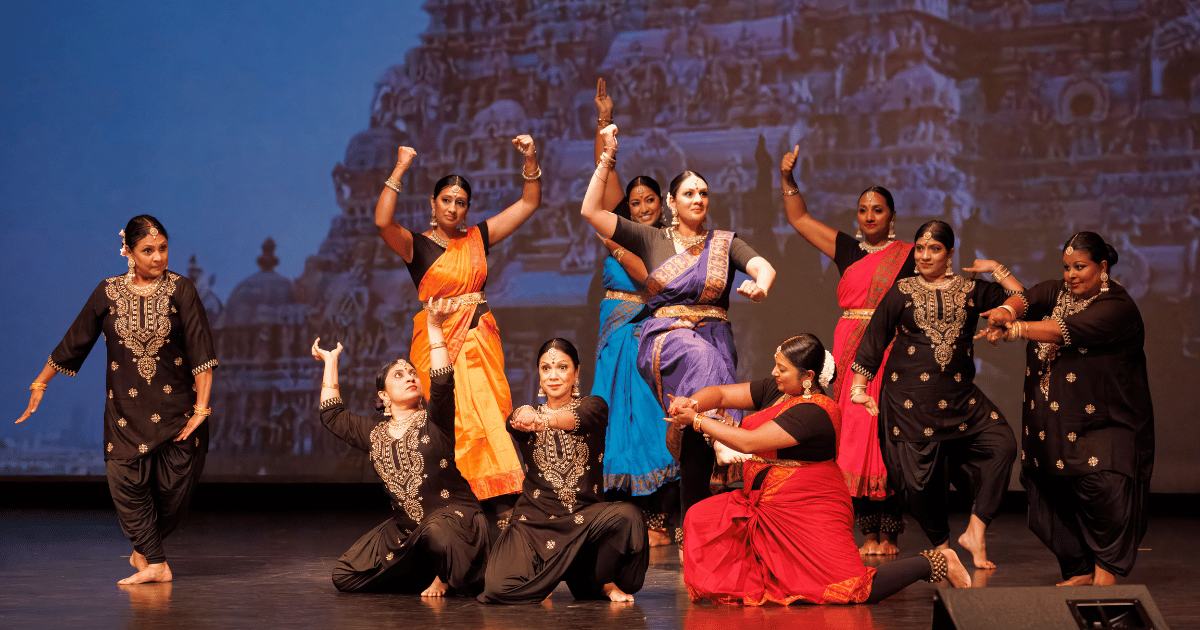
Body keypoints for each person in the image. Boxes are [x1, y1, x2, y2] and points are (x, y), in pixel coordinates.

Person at [667, 334, 972, 605]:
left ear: (808, 376)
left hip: (810, 509)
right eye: (776, 365)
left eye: (782, 368)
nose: (774, 373)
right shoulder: (778, 390)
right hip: (766, 503)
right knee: (701, 519)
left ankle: (935, 562)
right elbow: (720, 394)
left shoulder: (815, 412)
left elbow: (748, 442)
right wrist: (691, 403)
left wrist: (697, 421)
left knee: (852, 588)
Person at [580, 124, 777, 519]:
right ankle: (725, 436)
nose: (698, 198)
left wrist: (761, 285)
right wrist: (606, 159)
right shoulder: (651, 240)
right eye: (689, 193)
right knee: (697, 354)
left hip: (716, 338)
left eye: (703, 193)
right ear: (672, 202)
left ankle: (696, 531)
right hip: (666, 339)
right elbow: (591, 211)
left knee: (694, 440)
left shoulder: (724, 242)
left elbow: (762, 265)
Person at [17, 215, 217, 585]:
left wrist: (202, 409)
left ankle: (145, 550)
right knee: (127, 485)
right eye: (148, 250)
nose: (158, 257)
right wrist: (40, 382)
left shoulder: (181, 289)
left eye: (163, 248)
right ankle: (156, 563)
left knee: (174, 493)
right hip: (125, 412)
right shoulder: (107, 292)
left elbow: (202, 353)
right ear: (128, 251)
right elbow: (75, 340)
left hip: (179, 412)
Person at [979, 232, 1153, 586]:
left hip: (1104, 424)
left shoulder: (1117, 307)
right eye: (1067, 267)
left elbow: (1064, 330)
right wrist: (1004, 311)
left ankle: (1104, 574)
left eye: (1080, 267)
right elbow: (1025, 299)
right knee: (1050, 498)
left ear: (1102, 267)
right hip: (1050, 426)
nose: (1071, 275)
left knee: (1104, 492)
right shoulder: (1056, 291)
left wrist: (1016, 330)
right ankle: (1081, 571)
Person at [373, 137, 541, 501]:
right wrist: (400, 167)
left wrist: (530, 159)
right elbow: (383, 221)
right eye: (446, 200)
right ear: (433, 204)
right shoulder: (416, 245)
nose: (452, 207)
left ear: (467, 209)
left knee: (488, 419)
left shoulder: (477, 238)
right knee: (447, 421)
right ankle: (451, 498)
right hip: (437, 345)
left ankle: (498, 500)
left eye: (460, 202)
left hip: (479, 340)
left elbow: (529, 203)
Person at [849, 220, 1023, 569]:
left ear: (950, 253)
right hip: (908, 401)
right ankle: (944, 548)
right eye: (920, 248)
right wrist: (858, 388)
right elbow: (874, 338)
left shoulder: (971, 289)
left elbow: (1023, 300)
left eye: (935, 249)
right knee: (917, 484)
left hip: (960, 399)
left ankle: (975, 531)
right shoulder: (902, 291)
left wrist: (997, 270)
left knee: (1002, 445)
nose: (925, 255)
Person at [780, 145, 914, 554]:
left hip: (891, 348)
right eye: (862, 210)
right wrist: (787, 180)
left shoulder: (909, 255)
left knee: (885, 433)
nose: (869, 216)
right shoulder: (847, 250)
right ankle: (867, 531)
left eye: (877, 210)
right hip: (852, 349)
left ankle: (890, 531)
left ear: (891, 216)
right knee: (854, 435)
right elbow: (800, 219)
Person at [314, 298, 489, 596]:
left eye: (412, 373)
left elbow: (443, 381)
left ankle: (447, 574)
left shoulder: (435, 421)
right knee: (345, 575)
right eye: (399, 375)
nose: (410, 376)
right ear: (383, 395)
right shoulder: (374, 433)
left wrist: (434, 326)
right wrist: (331, 362)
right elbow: (332, 414)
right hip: (408, 532)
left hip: (457, 523)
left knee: (437, 531)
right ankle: (433, 569)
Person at [479, 339, 649, 604]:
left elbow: (580, 418)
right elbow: (513, 422)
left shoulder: (594, 406)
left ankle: (600, 580)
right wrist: (523, 412)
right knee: (497, 589)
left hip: (585, 521)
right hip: (534, 523)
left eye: (562, 367)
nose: (553, 376)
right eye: (546, 368)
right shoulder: (528, 419)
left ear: (576, 371)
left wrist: (544, 421)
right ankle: (544, 581)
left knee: (628, 516)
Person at [590, 78, 679, 545]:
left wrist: (615, 248)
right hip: (613, 338)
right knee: (611, 418)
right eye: (635, 201)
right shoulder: (621, 227)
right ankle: (622, 517)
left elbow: (650, 281)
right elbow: (602, 179)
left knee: (646, 420)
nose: (642, 207)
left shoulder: (666, 242)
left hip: (647, 335)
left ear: (662, 204)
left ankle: (660, 518)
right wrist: (605, 123)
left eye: (650, 200)